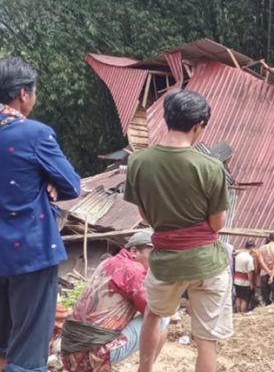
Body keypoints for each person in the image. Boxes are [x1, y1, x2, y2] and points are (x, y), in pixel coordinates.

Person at [124, 89, 233, 372]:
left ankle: (145, 369)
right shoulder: (211, 167)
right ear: (199, 126)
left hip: (165, 262)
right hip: (207, 262)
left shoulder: (138, 162)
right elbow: (217, 224)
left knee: (153, 315)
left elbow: (145, 216)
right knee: (206, 339)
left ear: (167, 119)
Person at [0, 57, 81, 372]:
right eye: (34, 94)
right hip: (29, 254)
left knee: (3, 345)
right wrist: (49, 180)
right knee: (29, 352)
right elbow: (72, 184)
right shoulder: (33, 134)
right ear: (22, 94)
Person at [61, 232, 169, 371]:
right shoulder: (133, 269)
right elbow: (152, 308)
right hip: (94, 354)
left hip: (70, 352)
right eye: (153, 254)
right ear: (134, 251)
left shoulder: (108, 262)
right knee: (162, 315)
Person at [257, 232, 274, 305]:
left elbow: (261, 261)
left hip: (263, 272)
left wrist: (268, 271)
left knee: (265, 293)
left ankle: (266, 306)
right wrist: (271, 275)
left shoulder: (262, 248)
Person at [234, 240, 257, 313]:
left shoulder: (238, 255)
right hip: (245, 281)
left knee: (238, 297)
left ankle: (237, 312)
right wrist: (251, 284)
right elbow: (250, 272)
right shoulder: (249, 258)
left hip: (237, 280)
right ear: (252, 248)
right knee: (244, 299)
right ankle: (242, 313)